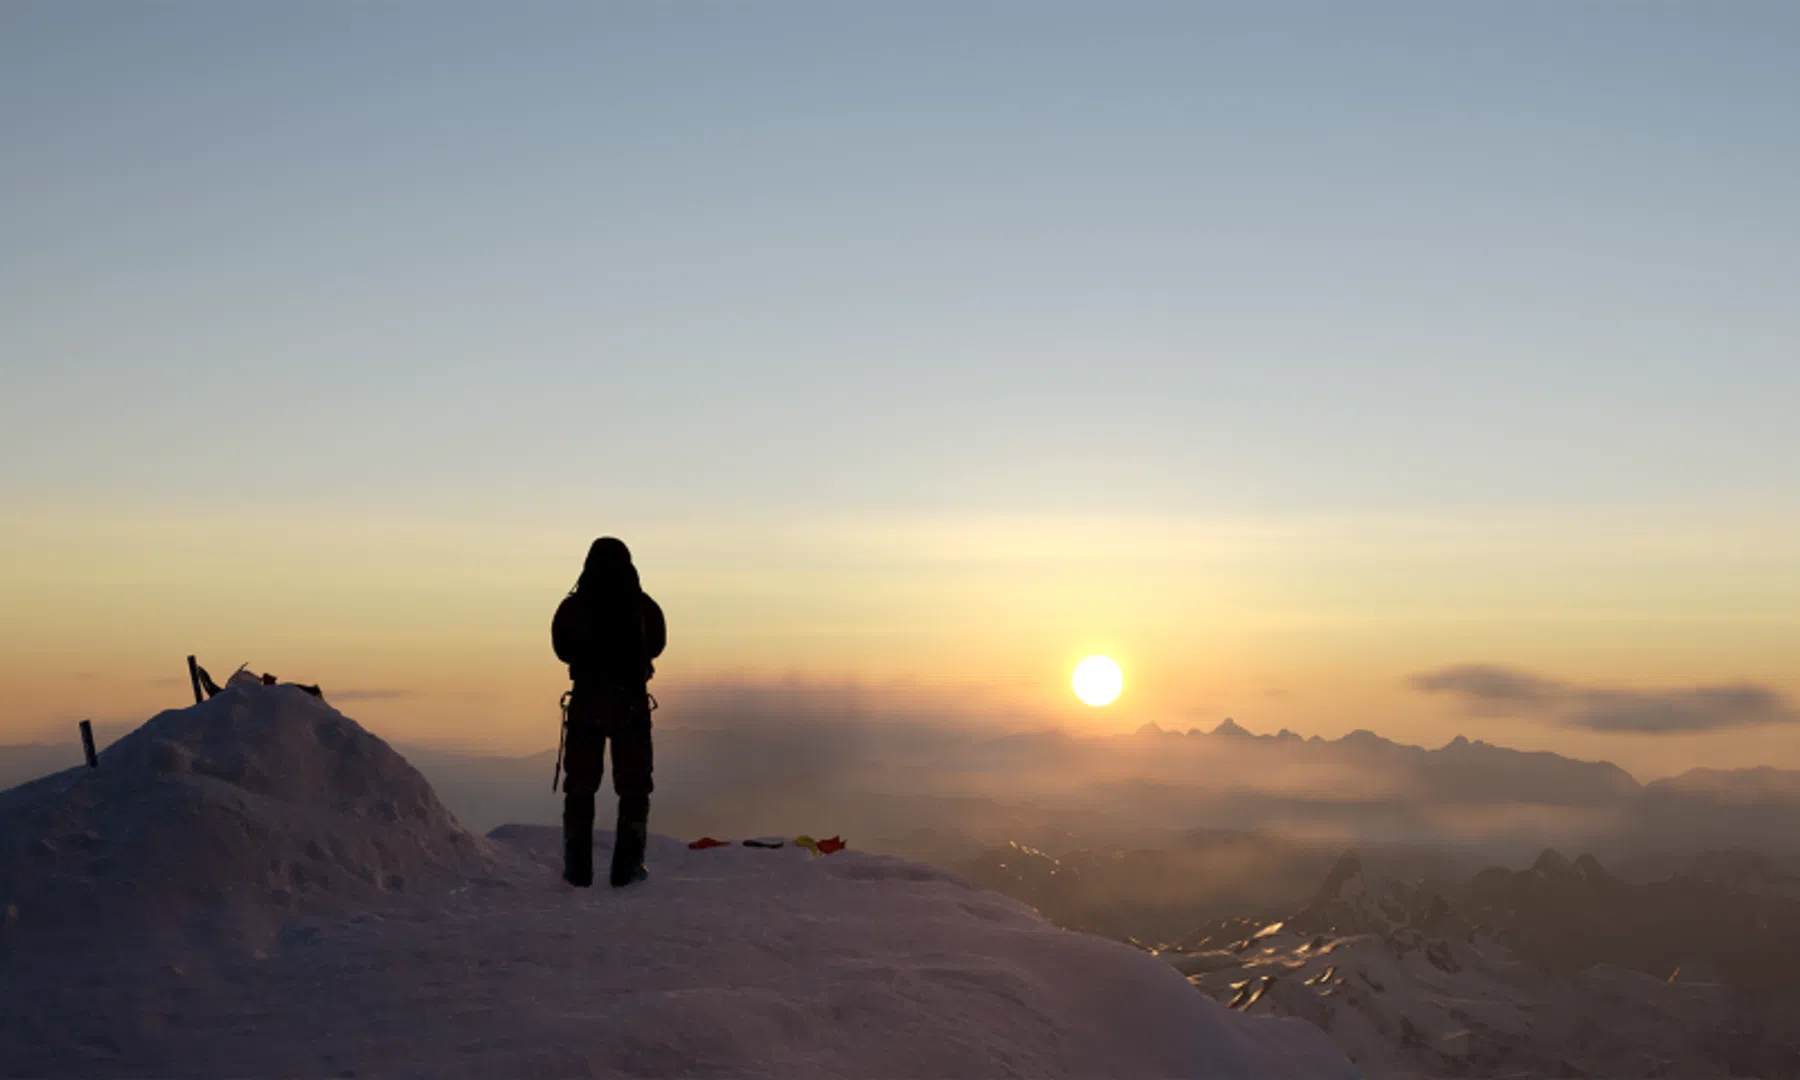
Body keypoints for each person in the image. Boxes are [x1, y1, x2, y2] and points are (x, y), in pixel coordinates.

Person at [551, 537, 666, 888]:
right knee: (634, 788)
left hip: (587, 705)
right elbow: (658, 645)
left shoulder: (574, 605)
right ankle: (628, 869)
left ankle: (577, 870)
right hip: (630, 706)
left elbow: (561, 647)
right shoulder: (644, 605)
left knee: (580, 787)